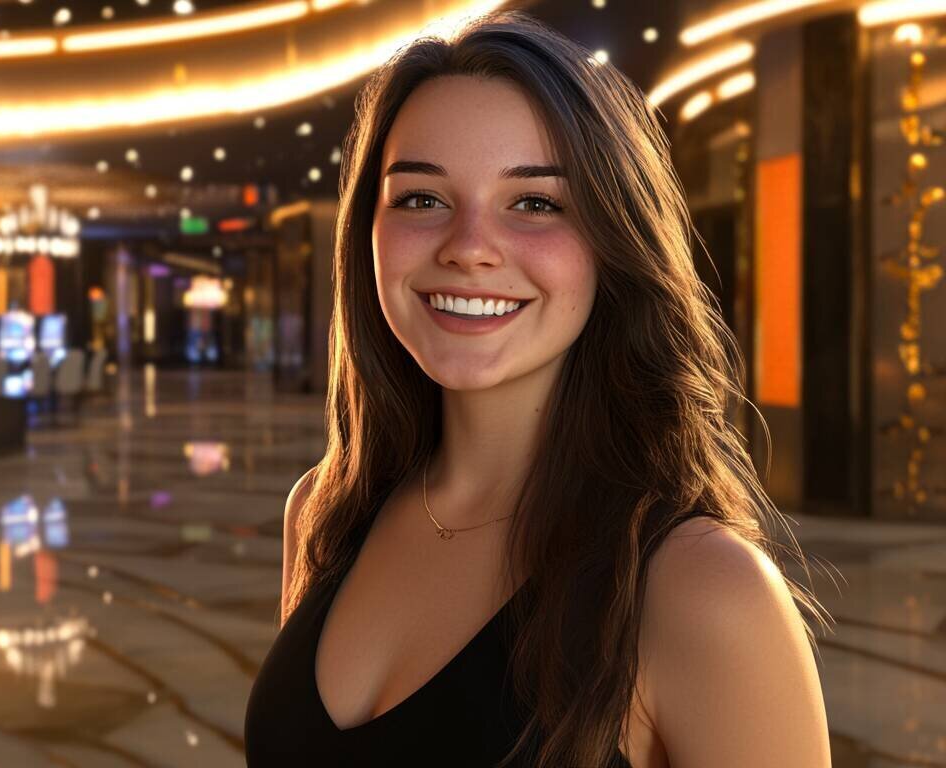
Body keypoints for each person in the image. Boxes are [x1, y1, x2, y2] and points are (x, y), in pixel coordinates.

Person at [243, 10, 831, 767]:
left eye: (536, 203)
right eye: (421, 198)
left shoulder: (702, 593)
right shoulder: (324, 513)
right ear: (368, 233)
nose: (470, 249)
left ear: (613, 243)